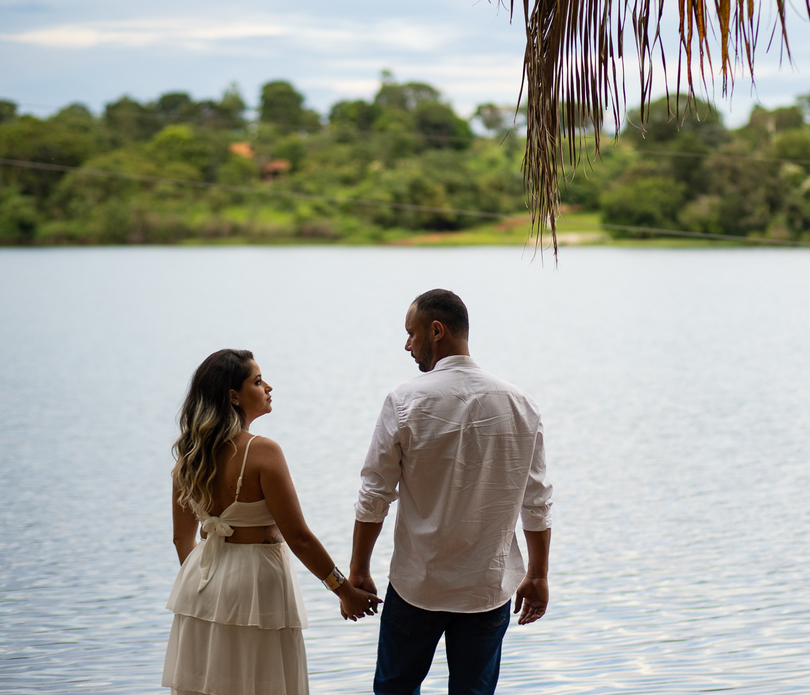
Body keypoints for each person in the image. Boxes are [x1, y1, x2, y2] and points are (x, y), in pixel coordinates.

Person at [349, 289, 554, 695]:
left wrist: (358, 570)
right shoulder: (521, 404)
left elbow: (374, 495)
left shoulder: (405, 400)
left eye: (411, 333)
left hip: (417, 585)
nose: (407, 345)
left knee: (394, 690)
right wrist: (538, 574)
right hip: (487, 588)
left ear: (436, 330)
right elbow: (538, 502)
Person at [164, 349, 380, 695]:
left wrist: (207, 590)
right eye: (258, 381)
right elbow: (298, 537)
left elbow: (181, 541)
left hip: (200, 589)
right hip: (256, 588)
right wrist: (344, 591)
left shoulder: (189, 457)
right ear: (234, 396)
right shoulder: (263, 451)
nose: (269, 387)